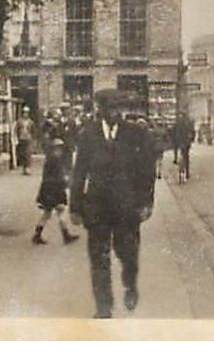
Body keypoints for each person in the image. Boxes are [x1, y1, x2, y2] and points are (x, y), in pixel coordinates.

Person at [69, 90, 156, 318]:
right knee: (99, 258)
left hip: (127, 208)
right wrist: (75, 206)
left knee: (128, 254)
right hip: (96, 208)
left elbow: (147, 170)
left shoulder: (136, 134)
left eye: (119, 108)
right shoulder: (88, 135)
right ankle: (103, 307)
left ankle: (130, 286)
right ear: (101, 110)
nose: (116, 113)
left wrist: (147, 202)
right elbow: (79, 172)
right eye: (111, 108)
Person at [31, 139, 79, 246]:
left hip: (47, 189)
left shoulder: (50, 159)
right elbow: (58, 176)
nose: (60, 151)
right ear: (55, 149)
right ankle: (66, 235)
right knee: (61, 210)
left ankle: (37, 235)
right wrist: (66, 183)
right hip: (55, 190)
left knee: (47, 213)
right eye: (59, 148)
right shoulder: (55, 160)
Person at [172, 113, 194, 183]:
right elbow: (192, 132)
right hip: (185, 142)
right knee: (186, 157)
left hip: (179, 142)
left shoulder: (177, 123)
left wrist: (174, 141)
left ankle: (176, 160)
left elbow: (173, 132)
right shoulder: (188, 123)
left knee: (181, 155)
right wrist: (191, 140)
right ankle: (187, 172)